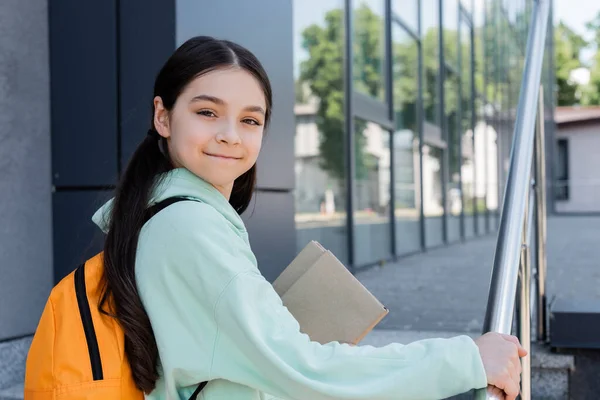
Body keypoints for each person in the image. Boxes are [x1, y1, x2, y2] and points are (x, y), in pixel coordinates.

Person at [92, 35, 527, 400]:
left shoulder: (159, 211)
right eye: (207, 112)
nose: (229, 133)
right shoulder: (190, 228)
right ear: (163, 117)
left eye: (250, 119)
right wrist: (468, 358)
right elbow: (304, 372)